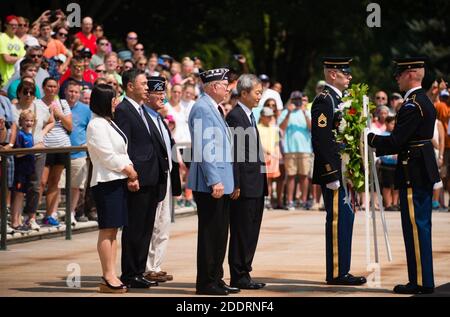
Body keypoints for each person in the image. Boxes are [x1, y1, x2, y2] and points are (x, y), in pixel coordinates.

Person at [368, 57, 439, 294]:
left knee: (416, 227)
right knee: (418, 226)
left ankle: (421, 282)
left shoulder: (412, 105)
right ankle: (420, 279)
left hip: (414, 170)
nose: (396, 78)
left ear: (410, 74)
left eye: (399, 74)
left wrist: (369, 139)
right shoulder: (422, 101)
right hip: (419, 167)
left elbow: (398, 141)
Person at [311, 57, 367, 286]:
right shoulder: (325, 100)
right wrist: (331, 173)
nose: (350, 76)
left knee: (346, 219)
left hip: (345, 170)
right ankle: (336, 273)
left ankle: (342, 268)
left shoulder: (341, 100)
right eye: (346, 72)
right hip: (334, 171)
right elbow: (322, 140)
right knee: (337, 221)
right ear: (333, 74)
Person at [187, 68, 234, 295]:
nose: (227, 88)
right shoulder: (202, 109)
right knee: (210, 234)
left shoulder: (213, 107)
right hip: (210, 182)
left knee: (220, 233)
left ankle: (216, 277)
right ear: (214, 86)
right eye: (225, 84)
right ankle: (206, 283)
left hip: (221, 179)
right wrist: (214, 180)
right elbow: (205, 148)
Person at [87, 83, 137, 294]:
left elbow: (121, 150)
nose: (116, 102)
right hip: (106, 181)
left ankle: (111, 273)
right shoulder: (96, 125)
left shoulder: (108, 122)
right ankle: (108, 275)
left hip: (117, 180)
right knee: (107, 231)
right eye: (113, 99)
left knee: (114, 231)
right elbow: (107, 156)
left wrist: (130, 170)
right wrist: (128, 170)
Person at [113, 69, 161, 289]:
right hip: (137, 178)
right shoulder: (123, 110)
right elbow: (125, 146)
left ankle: (139, 271)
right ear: (130, 86)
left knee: (145, 228)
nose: (147, 87)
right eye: (143, 84)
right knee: (135, 228)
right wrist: (131, 175)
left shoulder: (141, 110)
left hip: (151, 177)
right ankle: (130, 272)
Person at [226, 74, 267, 290]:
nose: (260, 96)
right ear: (243, 93)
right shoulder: (235, 117)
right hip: (245, 186)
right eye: (257, 92)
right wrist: (236, 183)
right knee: (242, 232)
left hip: (256, 183)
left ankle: (245, 272)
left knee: (251, 232)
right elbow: (236, 154)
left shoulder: (249, 115)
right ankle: (239, 274)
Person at [143, 76, 182, 283]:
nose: (162, 98)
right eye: (158, 94)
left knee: (163, 224)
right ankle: (147, 267)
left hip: (166, 176)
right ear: (147, 95)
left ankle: (155, 266)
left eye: (162, 93)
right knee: (152, 223)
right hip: (153, 178)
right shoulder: (145, 117)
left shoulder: (160, 119)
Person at [10, 110, 35, 233]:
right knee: (18, 195)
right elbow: (18, 154)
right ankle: (14, 221)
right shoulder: (20, 135)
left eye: (31, 120)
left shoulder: (30, 135)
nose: (29, 123)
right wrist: (32, 149)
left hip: (27, 170)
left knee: (22, 195)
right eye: (26, 120)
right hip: (20, 170)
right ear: (21, 122)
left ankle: (19, 220)